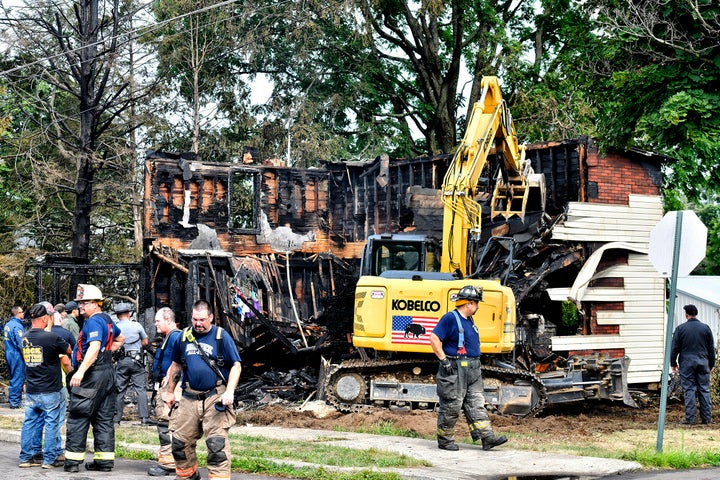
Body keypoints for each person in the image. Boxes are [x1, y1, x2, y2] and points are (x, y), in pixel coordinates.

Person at [165, 300, 242, 480]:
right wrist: (170, 391)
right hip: (188, 397)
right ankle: (187, 476)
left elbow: (236, 366)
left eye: (201, 320)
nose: (198, 324)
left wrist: (229, 391)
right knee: (179, 443)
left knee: (216, 446)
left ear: (211, 317)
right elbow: (176, 366)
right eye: (194, 320)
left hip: (215, 398)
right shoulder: (183, 337)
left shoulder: (221, 336)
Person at [429, 285, 507, 451]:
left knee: (476, 403)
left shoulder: (469, 320)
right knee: (452, 405)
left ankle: (487, 438)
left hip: (472, 369)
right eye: (476, 303)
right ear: (468, 304)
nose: (478, 306)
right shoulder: (450, 318)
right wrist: (444, 360)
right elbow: (434, 338)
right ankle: (445, 440)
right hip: (455, 368)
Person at [64, 284, 125, 473]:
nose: (81, 306)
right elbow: (120, 338)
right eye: (80, 303)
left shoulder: (92, 322)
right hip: (107, 374)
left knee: (79, 415)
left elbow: (94, 346)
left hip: (92, 375)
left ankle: (72, 463)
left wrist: (81, 371)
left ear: (97, 304)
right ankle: (104, 462)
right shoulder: (106, 319)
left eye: (85, 302)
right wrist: (107, 354)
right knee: (104, 418)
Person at [18, 303, 72, 469]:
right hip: (50, 389)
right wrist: (49, 327)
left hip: (32, 389)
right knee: (51, 424)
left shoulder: (24, 338)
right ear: (44, 319)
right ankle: (49, 460)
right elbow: (68, 350)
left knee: (29, 423)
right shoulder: (51, 337)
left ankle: (25, 458)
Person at [147, 307, 182, 476]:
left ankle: (168, 462)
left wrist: (169, 377)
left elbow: (180, 360)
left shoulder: (176, 337)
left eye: (158, 321)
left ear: (168, 320)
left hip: (171, 387)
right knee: (166, 422)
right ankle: (171, 460)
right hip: (166, 386)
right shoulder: (170, 337)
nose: (155, 324)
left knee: (166, 423)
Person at [670, 304, 716, 425]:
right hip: (703, 362)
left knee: (689, 390)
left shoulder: (680, 329)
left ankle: (691, 419)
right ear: (696, 314)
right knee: (704, 389)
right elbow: (711, 348)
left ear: (686, 315)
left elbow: (674, 347)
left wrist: (673, 363)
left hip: (687, 363)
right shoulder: (706, 328)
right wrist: (712, 364)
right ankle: (707, 418)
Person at [113, 301, 153, 426]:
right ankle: (144, 419)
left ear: (118, 315)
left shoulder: (115, 327)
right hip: (137, 360)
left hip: (122, 361)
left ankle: (116, 419)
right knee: (141, 389)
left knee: (120, 390)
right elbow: (146, 342)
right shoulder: (137, 326)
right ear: (129, 314)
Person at [3, 306, 26, 408]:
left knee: (13, 377)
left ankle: (13, 399)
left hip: (8, 352)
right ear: (17, 313)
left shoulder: (7, 325)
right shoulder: (17, 326)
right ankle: (15, 402)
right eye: (22, 312)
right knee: (18, 377)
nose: (23, 314)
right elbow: (21, 344)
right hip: (16, 354)